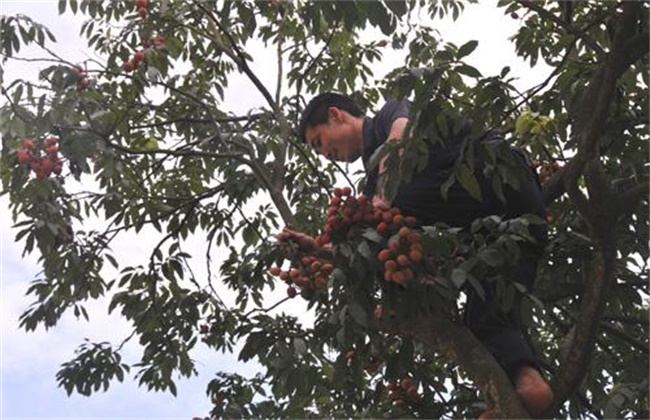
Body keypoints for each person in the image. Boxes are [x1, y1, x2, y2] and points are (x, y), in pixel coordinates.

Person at [280, 92, 554, 418]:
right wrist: (314, 248)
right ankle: (528, 387)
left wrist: (381, 197)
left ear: (336, 115)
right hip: (509, 232)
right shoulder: (375, 189)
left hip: (495, 173)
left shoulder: (387, 116)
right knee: (487, 322)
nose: (326, 154)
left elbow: (401, 137)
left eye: (319, 142)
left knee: (387, 220)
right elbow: (362, 241)